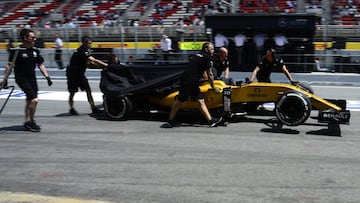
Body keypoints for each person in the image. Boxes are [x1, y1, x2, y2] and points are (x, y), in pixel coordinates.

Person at [162, 42, 223, 128]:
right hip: (191, 82)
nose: (213, 51)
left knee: (199, 101)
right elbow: (210, 74)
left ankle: (210, 121)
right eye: (212, 49)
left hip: (188, 80)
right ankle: (170, 120)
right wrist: (213, 86)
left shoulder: (197, 55)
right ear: (206, 49)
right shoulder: (207, 58)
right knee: (181, 100)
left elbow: (200, 70)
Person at [2, 28, 53, 132]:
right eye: (32, 37)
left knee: (30, 100)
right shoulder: (17, 51)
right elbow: (9, 66)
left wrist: (47, 77)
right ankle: (31, 122)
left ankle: (26, 121)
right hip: (21, 78)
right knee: (34, 99)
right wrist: (5, 80)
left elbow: (40, 64)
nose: (34, 38)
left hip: (32, 78)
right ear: (25, 38)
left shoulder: (35, 51)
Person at [66, 35, 101, 115]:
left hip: (80, 74)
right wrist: (105, 65)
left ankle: (93, 108)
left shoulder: (85, 50)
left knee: (88, 90)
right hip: (73, 75)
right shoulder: (81, 51)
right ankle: (71, 109)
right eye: (89, 43)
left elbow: (90, 62)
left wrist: (98, 65)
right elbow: (93, 60)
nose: (90, 45)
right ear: (84, 43)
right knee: (72, 92)